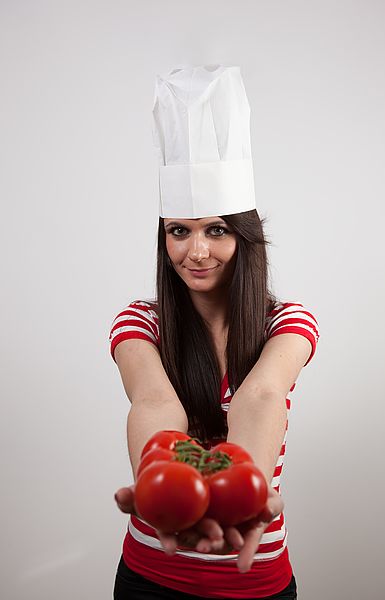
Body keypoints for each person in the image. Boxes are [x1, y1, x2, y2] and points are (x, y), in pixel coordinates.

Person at [109, 66, 319, 599]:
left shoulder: (287, 322)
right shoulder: (141, 322)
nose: (195, 251)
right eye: (179, 230)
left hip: (257, 582)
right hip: (152, 575)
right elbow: (156, 402)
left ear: (244, 237)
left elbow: (263, 393)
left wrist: (235, 502)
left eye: (216, 230)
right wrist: (165, 498)